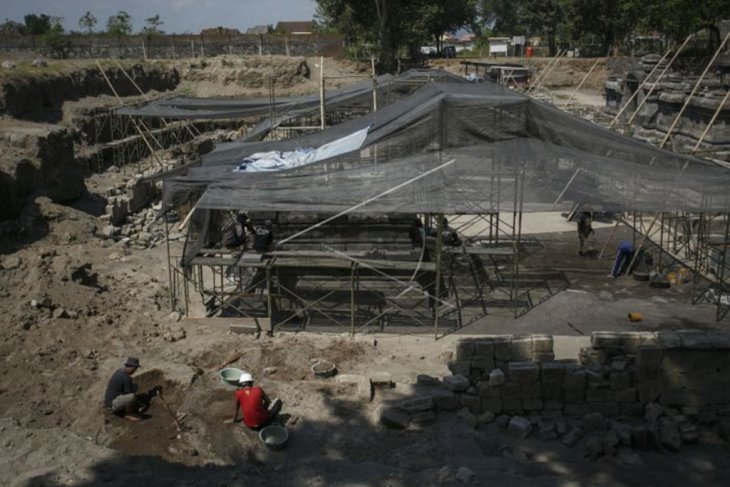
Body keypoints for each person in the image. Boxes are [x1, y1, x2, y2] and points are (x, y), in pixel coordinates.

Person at [103, 357, 158, 421]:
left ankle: (122, 409)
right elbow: (130, 395)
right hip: (112, 404)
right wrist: (140, 405)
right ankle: (128, 414)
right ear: (133, 368)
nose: (135, 371)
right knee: (131, 397)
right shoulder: (126, 377)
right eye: (135, 369)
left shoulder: (119, 371)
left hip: (109, 399)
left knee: (134, 387)